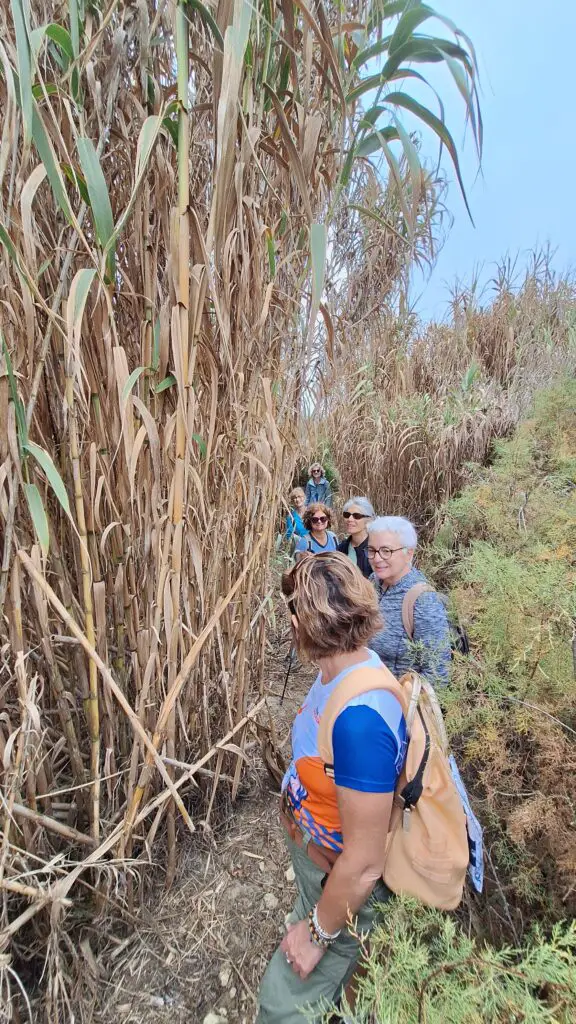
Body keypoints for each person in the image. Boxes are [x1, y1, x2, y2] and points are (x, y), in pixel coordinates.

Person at [257, 553, 405, 1024]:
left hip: (339, 880)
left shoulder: (360, 720)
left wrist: (317, 934)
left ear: (304, 620)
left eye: (291, 613)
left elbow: (363, 865)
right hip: (317, 865)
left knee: (280, 1007)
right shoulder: (337, 671)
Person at [366, 515, 451, 686]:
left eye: (386, 551)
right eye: (372, 550)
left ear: (408, 553)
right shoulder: (373, 582)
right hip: (369, 692)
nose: (376, 558)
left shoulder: (423, 601)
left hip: (400, 705)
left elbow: (438, 673)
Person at [336, 496, 375, 578]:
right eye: (347, 515)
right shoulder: (341, 548)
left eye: (356, 516)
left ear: (368, 519)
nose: (350, 519)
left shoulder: (376, 549)